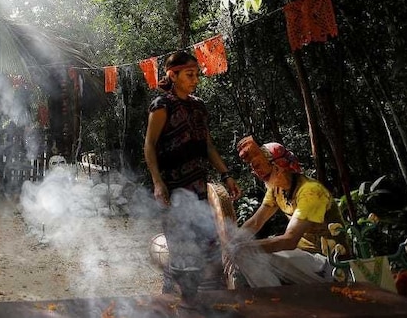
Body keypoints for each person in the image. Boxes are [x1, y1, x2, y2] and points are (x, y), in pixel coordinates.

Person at [144, 51, 241, 300]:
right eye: (189, 74)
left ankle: (202, 298)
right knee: (179, 246)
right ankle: (171, 299)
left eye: (197, 74)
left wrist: (226, 174)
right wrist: (157, 182)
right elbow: (150, 145)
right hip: (173, 187)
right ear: (172, 75)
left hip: (198, 185)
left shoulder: (198, 106)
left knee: (206, 241)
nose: (195, 79)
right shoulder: (161, 106)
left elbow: (207, 145)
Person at [231, 136, 344, 286]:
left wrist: (244, 248)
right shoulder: (276, 190)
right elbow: (256, 222)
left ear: (278, 166)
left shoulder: (310, 191)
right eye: (253, 168)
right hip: (306, 258)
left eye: (258, 166)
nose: (256, 173)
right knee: (246, 254)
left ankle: (277, 304)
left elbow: (290, 240)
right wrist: (232, 244)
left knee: (251, 256)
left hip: (330, 264)